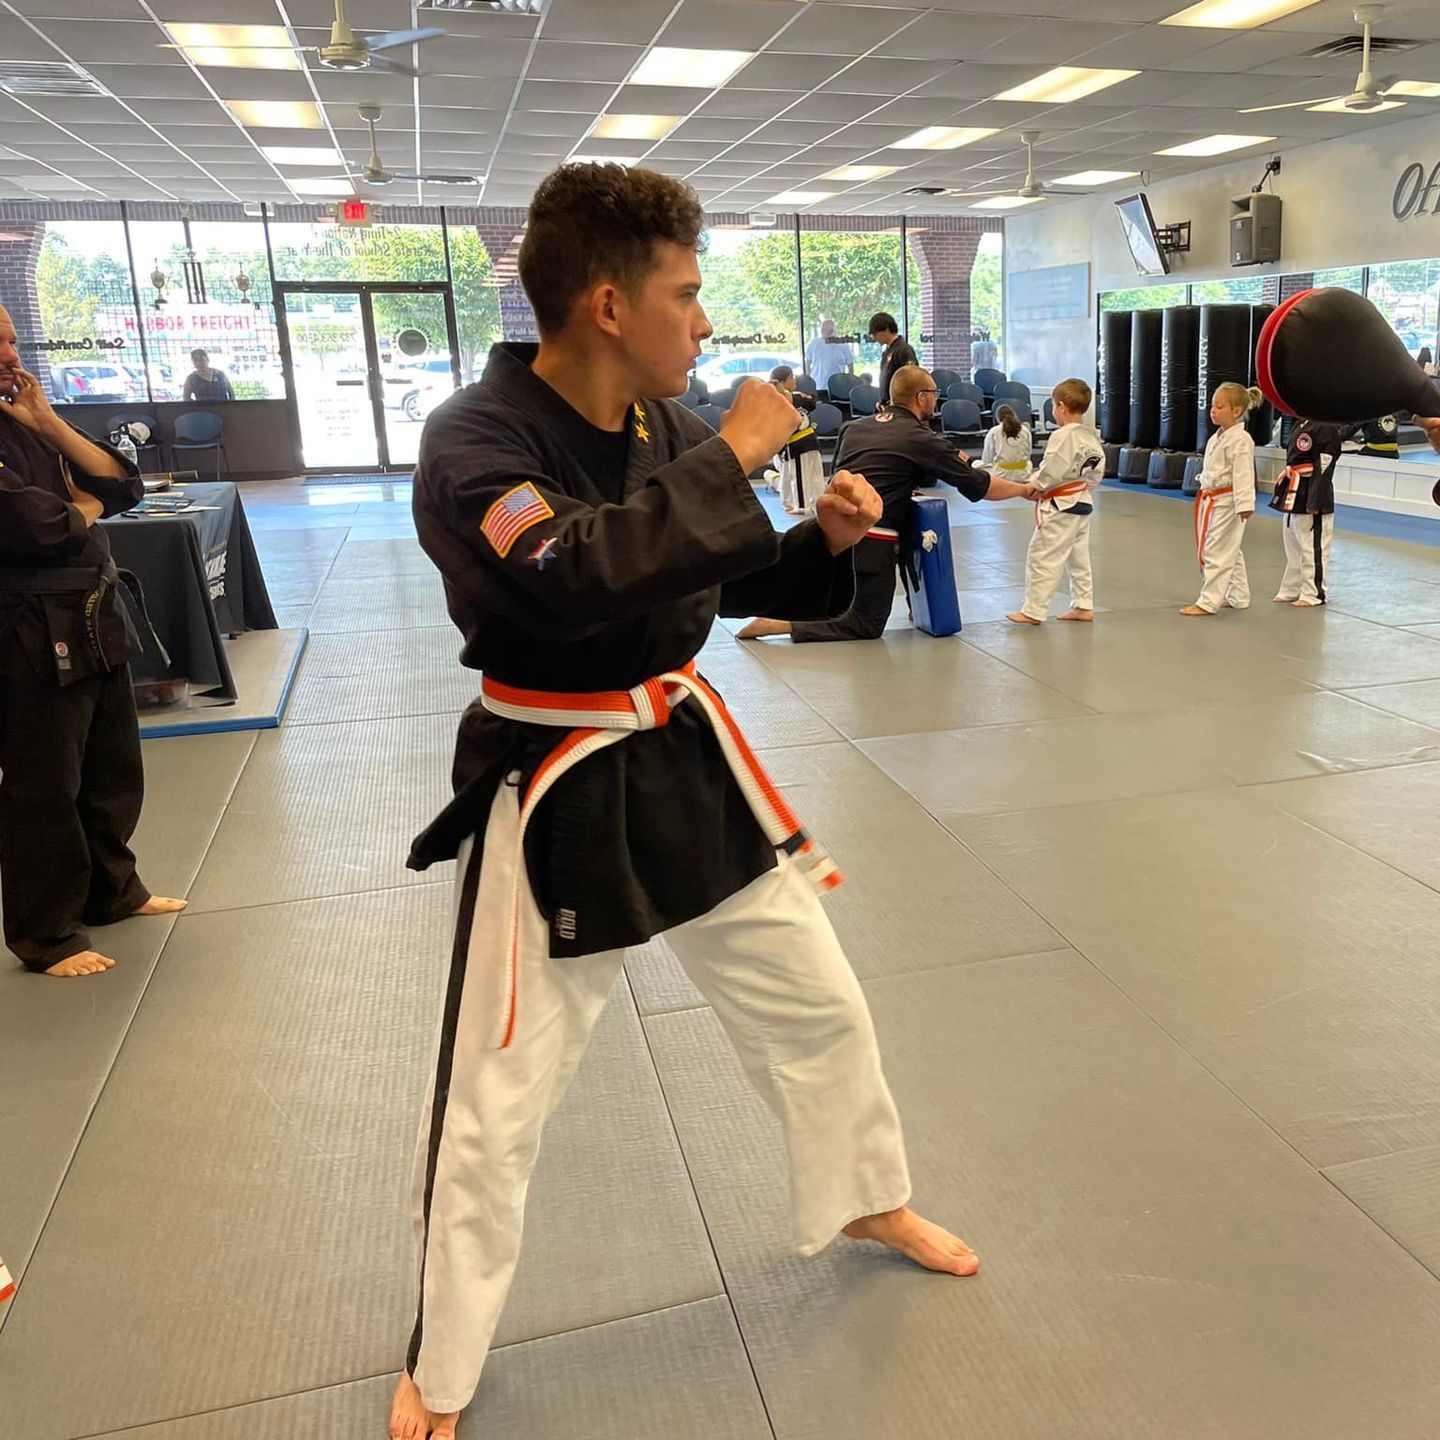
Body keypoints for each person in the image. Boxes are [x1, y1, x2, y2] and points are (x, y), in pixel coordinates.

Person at [393, 164, 980, 1440]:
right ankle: (441, 1363)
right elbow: (570, 574)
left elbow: (693, 576)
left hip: (680, 758)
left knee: (820, 1008)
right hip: (553, 783)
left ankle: (867, 1194)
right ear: (609, 304)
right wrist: (739, 452)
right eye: (688, 294)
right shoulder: (475, 441)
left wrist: (815, 544)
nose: (706, 323)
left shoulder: (660, 433)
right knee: (500, 1103)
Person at [0, 303, 185, 978]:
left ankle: (113, 892)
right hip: (25, 624)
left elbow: (122, 484)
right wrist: (88, 506)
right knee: (43, 782)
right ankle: (44, 932)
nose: (12, 355)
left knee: (111, 767)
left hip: (90, 607)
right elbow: (38, 524)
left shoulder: (25, 420)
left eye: (13, 340)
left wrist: (49, 425)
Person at [738, 365, 1035, 644]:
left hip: (829, 533)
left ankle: (913, 603)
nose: (937, 398)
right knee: (866, 623)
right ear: (921, 398)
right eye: (933, 393)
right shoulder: (920, 438)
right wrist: (1024, 489)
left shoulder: (853, 428)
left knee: (908, 508)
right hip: (871, 540)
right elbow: (981, 486)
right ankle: (779, 623)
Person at [1006, 379, 1105, 626]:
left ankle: (1033, 610)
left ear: (1060, 407)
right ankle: (1083, 605)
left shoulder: (1063, 436)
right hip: (1081, 501)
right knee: (1078, 557)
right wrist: (1083, 488)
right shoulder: (1091, 436)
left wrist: (1035, 485)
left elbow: (1051, 469)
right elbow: (1097, 470)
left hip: (1060, 505)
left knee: (1042, 556)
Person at [1181, 383, 1260, 618]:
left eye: (1219, 406)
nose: (1212, 411)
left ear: (1236, 411)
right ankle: (1238, 596)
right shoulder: (1217, 437)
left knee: (1215, 550)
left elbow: (1244, 473)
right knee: (1230, 549)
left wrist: (1246, 504)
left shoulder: (1242, 439)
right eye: (1212, 406)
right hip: (1212, 498)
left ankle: (1208, 602)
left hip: (1228, 501)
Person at [1270, 418, 1355, 607]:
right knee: (1293, 544)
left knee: (1312, 547)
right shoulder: (1300, 424)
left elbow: (1325, 466)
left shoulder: (1325, 427)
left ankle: (1314, 592)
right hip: (1295, 490)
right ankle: (1292, 588)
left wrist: (1315, 499)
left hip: (1312, 492)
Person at [770, 365, 822, 515]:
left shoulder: (798, 397)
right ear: (782, 382)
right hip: (795, 444)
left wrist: (798, 396)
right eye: (792, 378)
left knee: (812, 474)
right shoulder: (777, 405)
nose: (795, 380)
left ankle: (812, 503)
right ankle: (800, 504)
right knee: (797, 476)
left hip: (806, 441)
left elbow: (812, 403)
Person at [868, 312, 916, 407]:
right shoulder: (886, 352)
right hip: (887, 405)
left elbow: (910, 379)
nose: (874, 337)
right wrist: (882, 400)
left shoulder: (903, 349)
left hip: (900, 406)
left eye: (875, 333)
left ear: (885, 329)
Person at [979, 403, 1032, 483]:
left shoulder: (994, 431)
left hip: (1001, 475)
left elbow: (987, 458)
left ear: (998, 418)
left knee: (977, 465)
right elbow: (1028, 453)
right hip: (1023, 475)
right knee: (1028, 463)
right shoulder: (1025, 430)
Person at [805, 317, 855, 394]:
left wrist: (849, 382)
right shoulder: (814, 343)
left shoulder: (843, 344)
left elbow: (850, 364)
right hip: (818, 386)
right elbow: (808, 362)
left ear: (834, 330)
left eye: (830, 330)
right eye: (824, 329)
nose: (827, 332)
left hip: (838, 386)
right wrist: (808, 379)